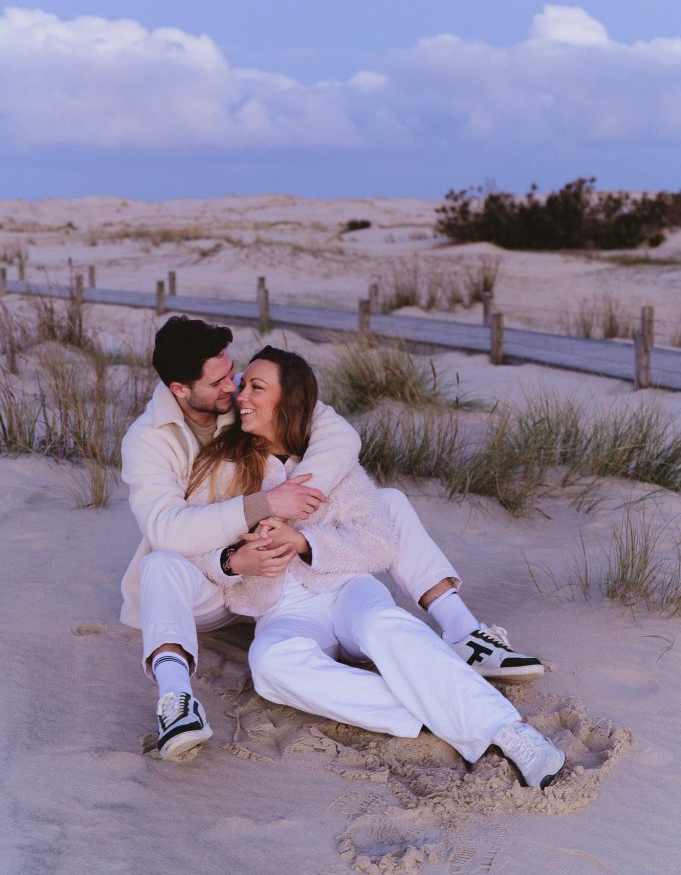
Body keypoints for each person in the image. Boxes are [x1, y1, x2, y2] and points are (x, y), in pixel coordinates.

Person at [120, 317, 543, 757]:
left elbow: (335, 431)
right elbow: (166, 529)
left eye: (235, 374)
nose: (235, 386)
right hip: (211, 588)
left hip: (292, 581)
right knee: (161, 562)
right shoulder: (147, 441)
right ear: (180, 390)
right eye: (221, 382)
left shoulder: (246, 393)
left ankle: (462, 631)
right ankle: (177, 700)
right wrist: (255, 526)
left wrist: (297, 501)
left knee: (390, 504)